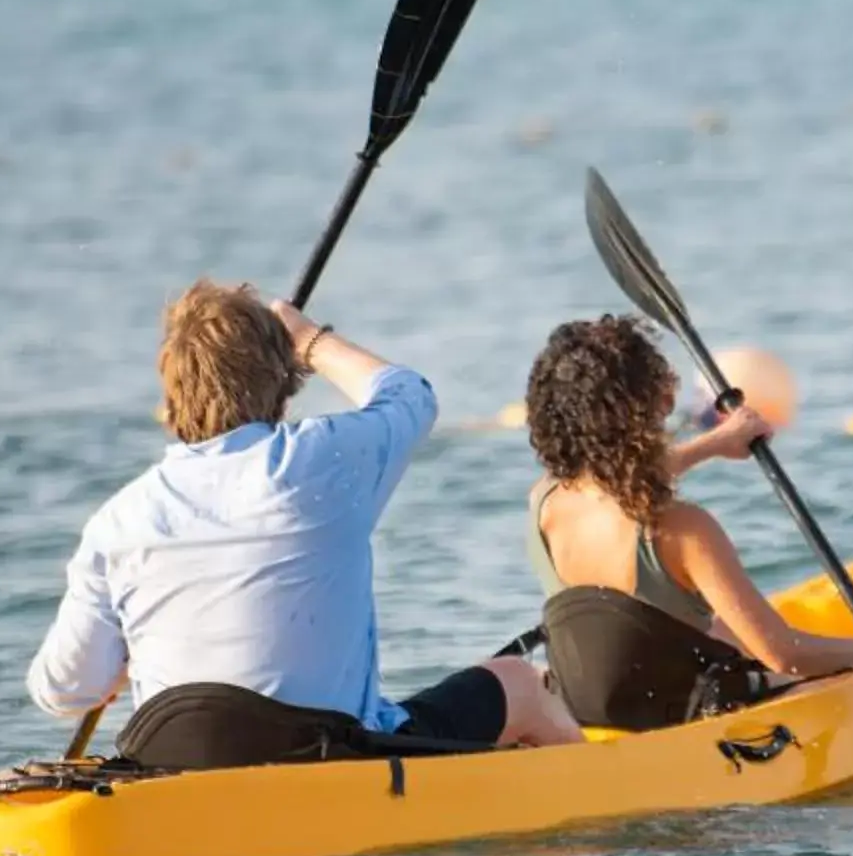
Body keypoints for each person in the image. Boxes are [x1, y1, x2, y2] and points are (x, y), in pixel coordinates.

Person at [29, 281, 580, 768]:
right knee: (521, 682)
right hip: (328, 760)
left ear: (172, 395)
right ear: (283, 383)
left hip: (175, 769)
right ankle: (606, 839)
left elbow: (64, 691)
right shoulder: (314, 460)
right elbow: (410, 395)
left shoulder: (118, 521)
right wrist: (308, 338)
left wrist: (116, 662)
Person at [522, 315, 853, 731]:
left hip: (586, 715)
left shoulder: (544, 501)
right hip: (684, 725)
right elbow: (785, 653)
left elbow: (615, 484)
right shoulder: (682, 529)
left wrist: (712, 444)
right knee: (802, 668)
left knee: (723, 629)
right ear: (648, 408)